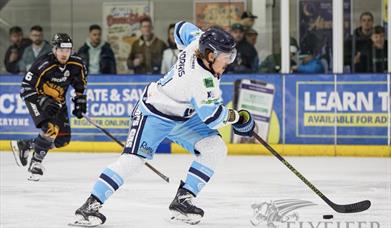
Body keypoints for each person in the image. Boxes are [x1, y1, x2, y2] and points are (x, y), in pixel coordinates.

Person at [70, 21, 255, 227]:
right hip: (154, 113)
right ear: (210, 55)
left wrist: (185, 49)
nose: (229, 61)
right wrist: (239, 118)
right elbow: (212, 117)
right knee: (132, 161)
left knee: (215, 148)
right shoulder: (201, 80)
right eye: (225, 56)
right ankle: (90, 205)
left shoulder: (196, 42)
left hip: (184, 115)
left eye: (231, 55)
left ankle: (183, 200)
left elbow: (180, 27)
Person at [10, 33, 88, 181]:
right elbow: (25, 87)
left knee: (62, 140)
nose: (64, 54)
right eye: (61, 50)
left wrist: (80, 102)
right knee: (50, 129)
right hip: (36, 99)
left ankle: (26, 144)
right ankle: (36, 163)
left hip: (58, 102)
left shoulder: (77, 64)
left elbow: (80, 85)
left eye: (68, 50)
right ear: (54, 49)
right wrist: (41, 100)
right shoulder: (43, 64)